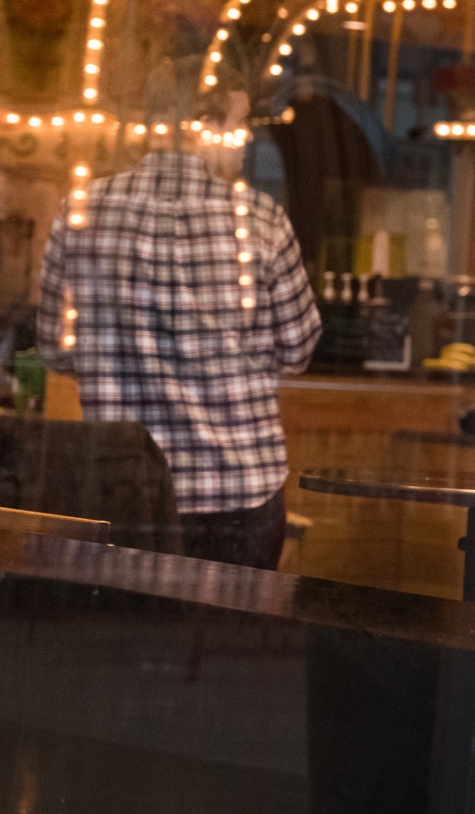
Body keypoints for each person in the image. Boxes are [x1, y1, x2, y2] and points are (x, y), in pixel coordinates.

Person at [37, 67, 321, 568]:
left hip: (122, 485)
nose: (247, 137)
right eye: (237, 124)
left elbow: (55, 348)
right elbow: (299, 349)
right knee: (223, 641)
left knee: (129, 639)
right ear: (195, 126)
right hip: (237, 489)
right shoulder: (261, 219)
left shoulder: (80, 212)